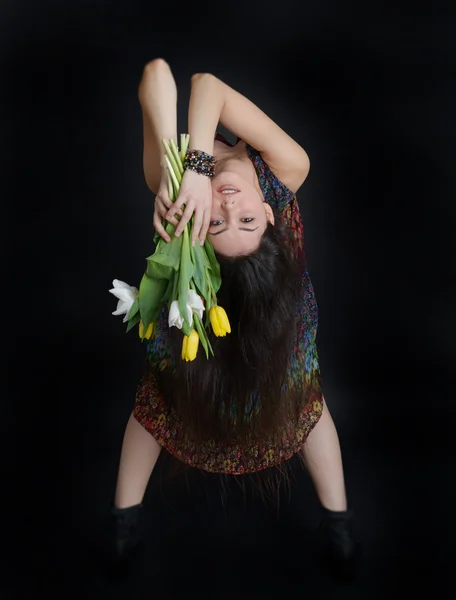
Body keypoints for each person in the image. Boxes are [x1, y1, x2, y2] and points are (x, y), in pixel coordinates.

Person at [110, 58, 358, 580]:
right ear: (269, 215)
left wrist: (174, 175)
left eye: (218, 224)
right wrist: (196, 170)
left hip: (237, 310)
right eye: (245, 219)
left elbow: (155, 76)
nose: (226, 207)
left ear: (198, 238)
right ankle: (124, 523)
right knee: (163, 398)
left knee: (302, 402)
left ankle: (338, 525)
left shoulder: (175, 196)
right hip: (280, 305)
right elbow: (207, 86)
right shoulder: (287, 169)